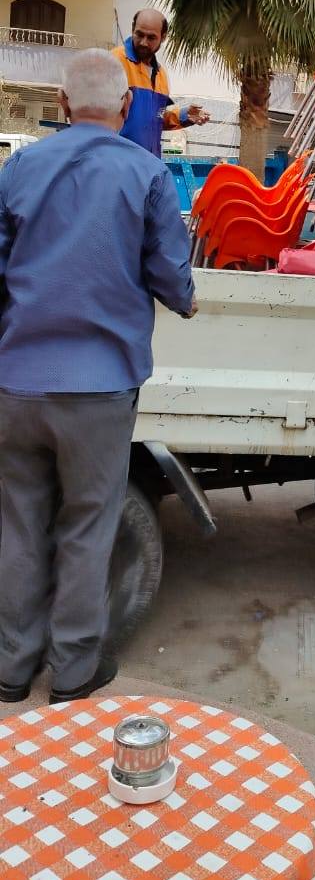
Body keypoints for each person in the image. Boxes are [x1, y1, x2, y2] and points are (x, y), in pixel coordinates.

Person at [0, 50, 196, 706]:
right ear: (120, 110)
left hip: (17, 381)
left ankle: (10, 666)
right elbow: (172, 274)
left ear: (61, 105)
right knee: (87, 525)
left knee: (19, 523)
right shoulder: (144, 171)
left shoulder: (21, 166)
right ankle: (74, 671)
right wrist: (185, 297)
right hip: (99, 388)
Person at [113, 8, 209, 156]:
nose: (144, 42)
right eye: (139, 34)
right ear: (132, 29)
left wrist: (184, 116)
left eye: (151, 37)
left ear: (163, 37)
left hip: (150, 164)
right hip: (119, 163)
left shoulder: (160, 74)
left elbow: (154, 120)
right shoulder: (114, 62)